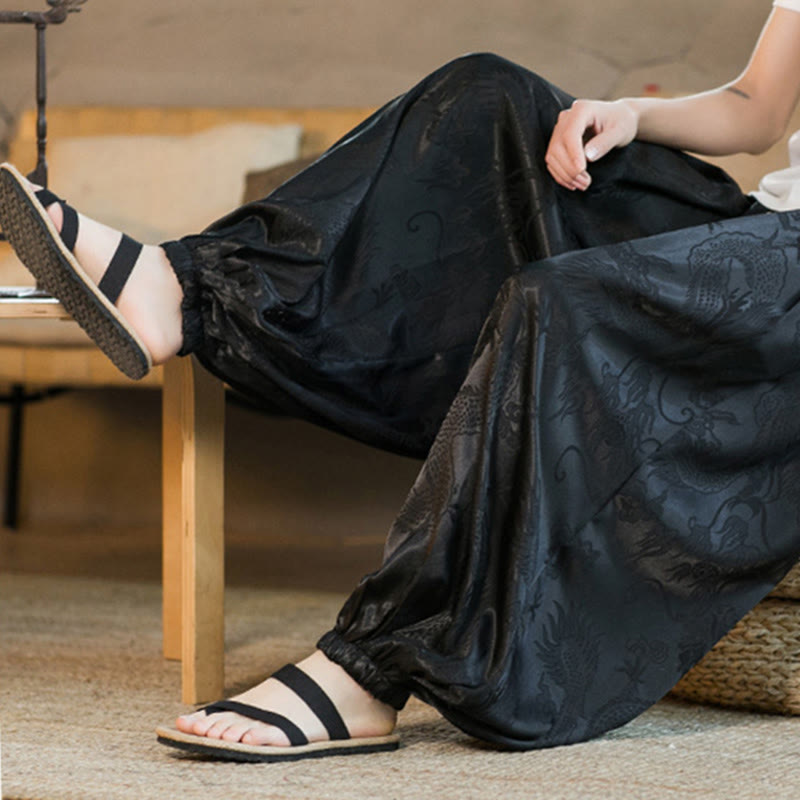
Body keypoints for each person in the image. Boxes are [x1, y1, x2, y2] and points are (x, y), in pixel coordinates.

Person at [1, 0, 800, 763]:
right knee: (485, 97)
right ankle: (187, 289)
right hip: (767, 235)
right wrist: (628, 112)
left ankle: (369, 666)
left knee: (560, 298)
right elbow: (756, 107)